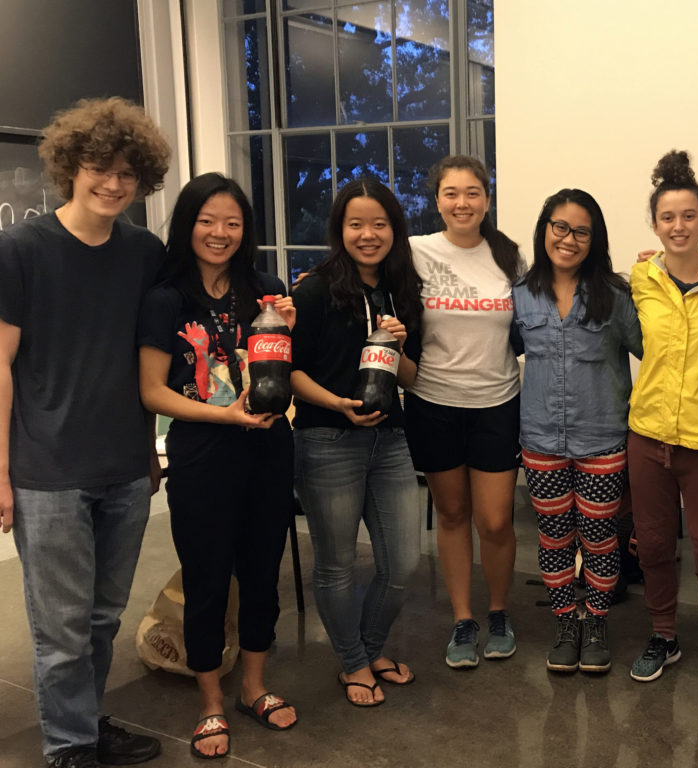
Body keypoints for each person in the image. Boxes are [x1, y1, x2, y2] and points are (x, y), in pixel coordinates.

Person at [0, 97, 170, 768]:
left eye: (129, 173)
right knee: (62, 630)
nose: (114, 183)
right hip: (49, 472)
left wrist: (152, 451)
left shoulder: (145, 252)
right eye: (101, 168)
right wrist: (1, 474)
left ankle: (85, 723)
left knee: (102, 621)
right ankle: (69, 748)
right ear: (71, 165)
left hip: (126, 467)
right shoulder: (21, 249)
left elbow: (153, 358)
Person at [137, 173, 297, 758]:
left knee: (262, 575)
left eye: (232, 222)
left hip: (269, 448)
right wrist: (223, 416)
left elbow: (276, 373)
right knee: (206, 580)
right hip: (204, 453)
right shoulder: (165, 298)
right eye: (208, 221)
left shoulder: (266, 288)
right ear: (188, 225)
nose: (220, 233)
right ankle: (210, 702)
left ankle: (253, 686)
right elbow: (153, 392)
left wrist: (287, 328)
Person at [291, 179, 422, 705]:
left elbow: (410, 378)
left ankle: (367, 648)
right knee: (337, 564)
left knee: (403, 562)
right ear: (339, 229)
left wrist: (403, 343)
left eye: (379, 224)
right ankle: (352, 662)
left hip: (390, 440)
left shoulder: (400, 289)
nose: (368, 235)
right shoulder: (316, 288)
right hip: (327, 440)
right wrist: (336, 403)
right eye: (355, 224)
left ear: (395, 228)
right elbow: (289, 369)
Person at [401, 155, 525, 668]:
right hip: (433, 401)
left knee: (495, 520)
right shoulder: (414, 252)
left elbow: (553, 296)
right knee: (452, 514)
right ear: (437, 201)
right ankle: (462, 617)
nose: (462, 202)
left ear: (487, 200)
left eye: (472, 192)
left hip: (497, 401)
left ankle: (498, 611)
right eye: (451, 193)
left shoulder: (510, 256)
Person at [628, 150, 698, 694]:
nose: (679, 226)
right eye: (668, 217)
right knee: (651, 544)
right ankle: (664, 633)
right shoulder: (641, 277)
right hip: (647, 433)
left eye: (689, 215)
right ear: (655, 224)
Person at [512, 189, 642, 673]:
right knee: (553, 537)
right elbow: (504, 353)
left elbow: (653, 353)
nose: (568, 239)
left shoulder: (617, 294)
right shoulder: (521, 294)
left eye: (581, 230)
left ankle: (597, 621)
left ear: (595, 238)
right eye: (559, 227)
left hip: (602, 437)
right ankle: (566, 623)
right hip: (540, 439)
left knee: (600, 536)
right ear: (545, 229)